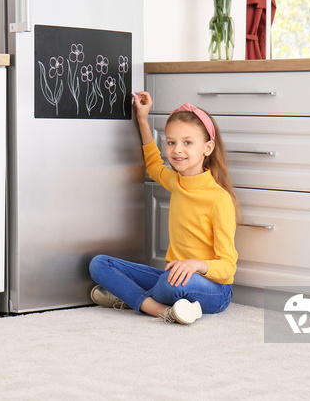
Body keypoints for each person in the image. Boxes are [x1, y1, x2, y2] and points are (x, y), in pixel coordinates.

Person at [89, 91, 239, 324]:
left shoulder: (219, 199)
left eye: (187, 142)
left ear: (207, 148)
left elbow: (228, 267)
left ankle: (134, 300)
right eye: (171, 142)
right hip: (171, 277)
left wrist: (196, 265)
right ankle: (161, 310)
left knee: (169, 283)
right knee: (99, 264)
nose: (177, 150)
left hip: (212, 289)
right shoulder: (177, 182)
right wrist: (142, 117)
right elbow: (152, 163)